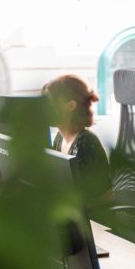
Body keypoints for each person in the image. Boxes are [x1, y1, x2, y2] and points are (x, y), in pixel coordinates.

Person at [41, 74, 112, 212]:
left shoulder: (87, 142)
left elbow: (107, 195)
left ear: (70, 106)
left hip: (93, 222)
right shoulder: (59, 139)